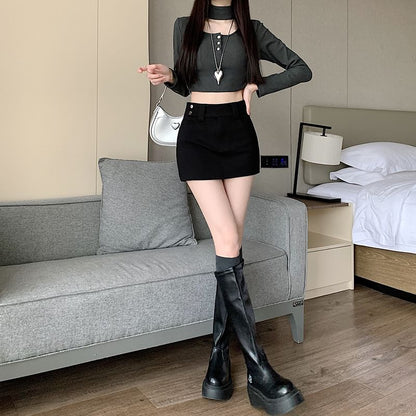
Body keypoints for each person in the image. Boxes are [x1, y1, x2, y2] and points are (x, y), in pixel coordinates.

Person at [138, 0, 312, 414]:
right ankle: (259, 369)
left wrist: (257, 87)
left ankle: (218, 357)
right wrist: (170, 76)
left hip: (239, 135)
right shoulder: (185, 25)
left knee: (228, 248)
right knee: (230, 239)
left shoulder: (253, 29)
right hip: (196, 135)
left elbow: (301, 68)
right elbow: (187, 84)